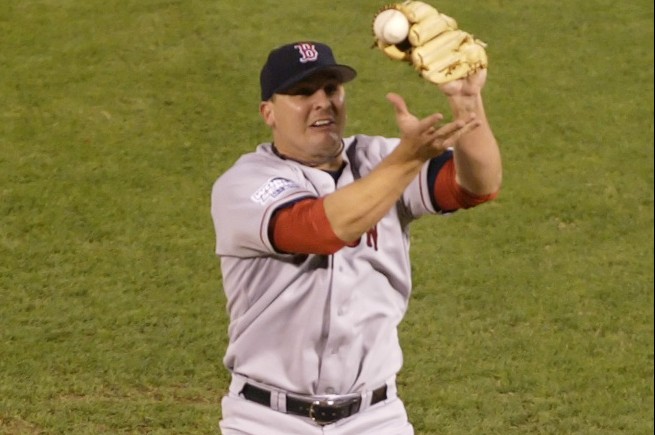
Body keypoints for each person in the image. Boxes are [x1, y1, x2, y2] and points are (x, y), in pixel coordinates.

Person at [210, 41, 502, 434]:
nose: (322, 102)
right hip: (267, 420)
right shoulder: (244, 184)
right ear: (269, 113)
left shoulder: (378, 158)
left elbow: (477, 185)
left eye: (331, 89)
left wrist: (468, 103)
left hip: (374, 417)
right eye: (302, 93)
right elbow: (322, 229)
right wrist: (407, 160)